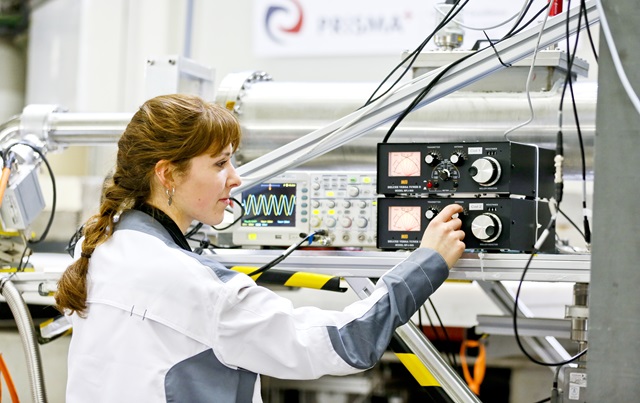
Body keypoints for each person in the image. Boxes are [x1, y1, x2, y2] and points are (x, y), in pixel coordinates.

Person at [55, 93, 466, 403]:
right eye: (220, 164)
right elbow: (344, 343)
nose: (236, 178)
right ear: (167, 174)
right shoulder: (199, 286)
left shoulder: (99, 249)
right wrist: (426, 263)